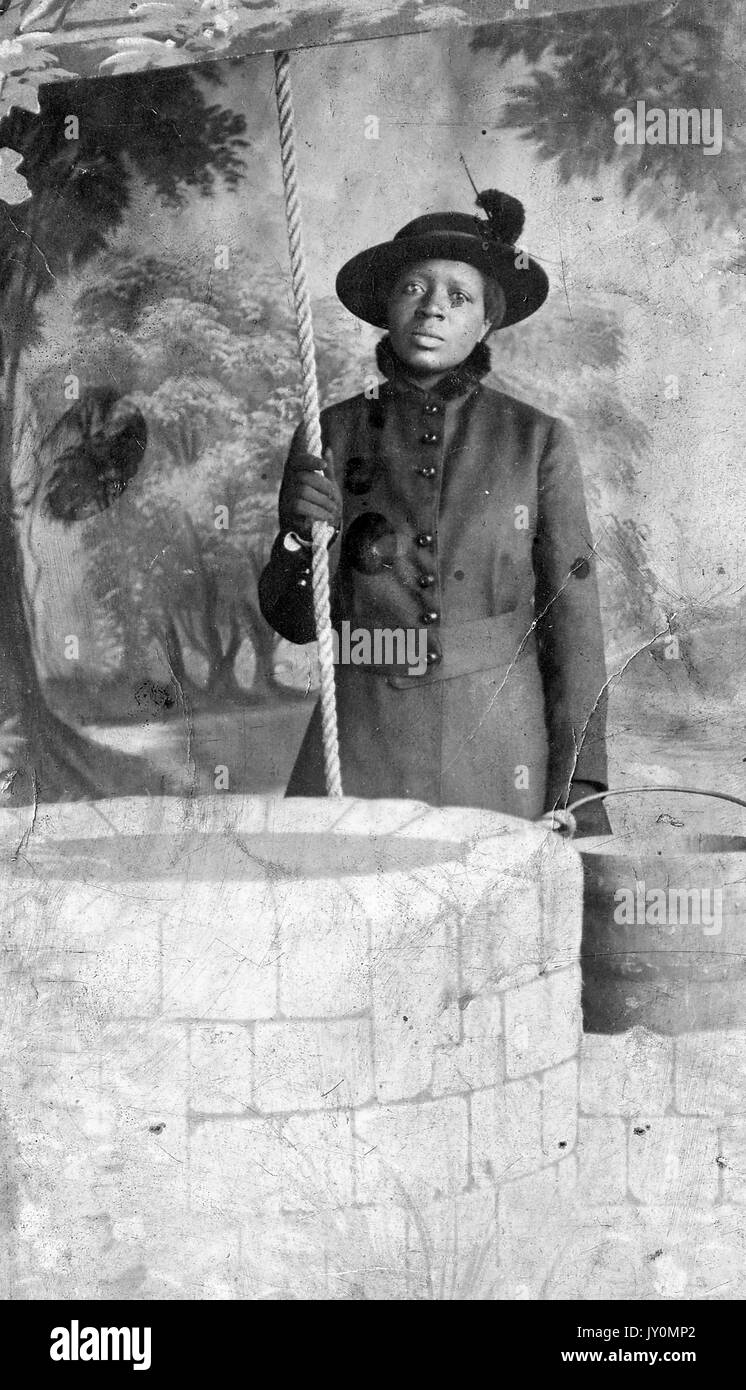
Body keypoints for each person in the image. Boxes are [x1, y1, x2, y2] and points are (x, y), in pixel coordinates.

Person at [259, 189, 610, 833]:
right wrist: (295, 543)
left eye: (459, 297)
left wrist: (581, 785)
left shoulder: (537, 441)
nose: (433, 310)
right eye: (414, 288)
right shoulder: (327, 431)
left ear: (487, 322)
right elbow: (296, 622)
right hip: (359, 739)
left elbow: (573, 627)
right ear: (387, 308)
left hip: (498, 749)